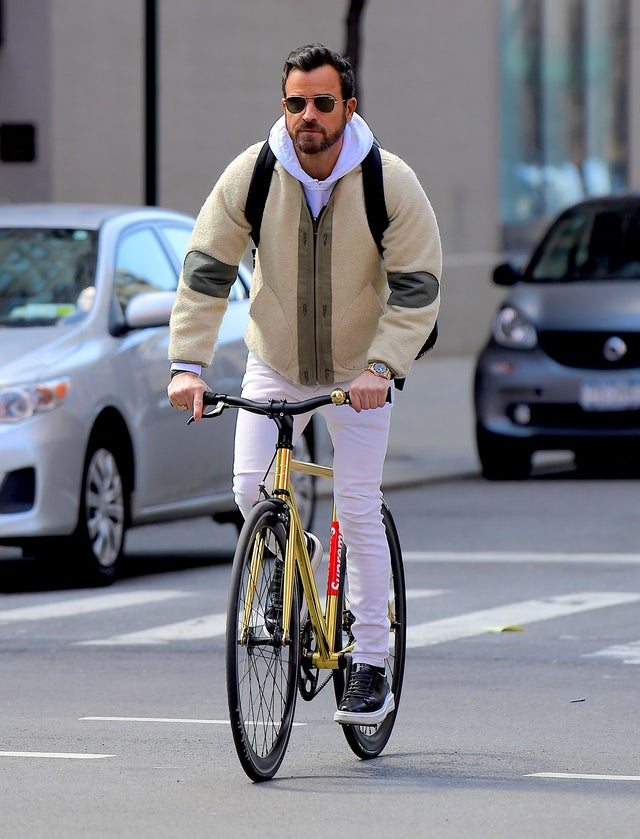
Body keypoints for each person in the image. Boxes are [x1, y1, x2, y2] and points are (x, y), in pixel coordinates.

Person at [167, 43, 441, 726]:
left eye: (322, 102)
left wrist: (384, 366)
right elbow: (207, 267)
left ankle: (370, 664)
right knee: (247, 489)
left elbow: (416, 287)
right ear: (283, 106)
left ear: (349, 107)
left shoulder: (389, 180)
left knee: (356, 501)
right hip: (277, 359)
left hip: (361, 367)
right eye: (295, 103)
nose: (307, 116)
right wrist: (187, 365)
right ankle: (291, 550)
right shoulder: (254, 173)